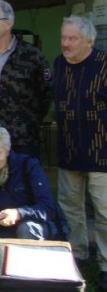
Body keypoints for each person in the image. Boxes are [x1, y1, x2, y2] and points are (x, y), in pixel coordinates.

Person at [54, 16, 107, 285]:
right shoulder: (59, 64)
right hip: (69, 149)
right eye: (64, 37)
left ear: (89, 41)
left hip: (101, 151)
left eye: (72, 38)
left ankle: (106, 265)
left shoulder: (104, 64)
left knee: (105, 211)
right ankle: (77, 255)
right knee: (70, 208)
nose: (65, 43)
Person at [0, 0, 52, 157]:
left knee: (22, 180)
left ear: (8, 23)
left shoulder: (31, 55)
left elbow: (46, 93)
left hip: (23, 139)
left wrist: (30, 121)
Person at [0, 123, 64, 240]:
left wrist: (18, 213)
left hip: (36, 225)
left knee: (25, 228)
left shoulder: (28, 166)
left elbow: (48, 207)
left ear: (7, 151)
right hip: (2, 229)